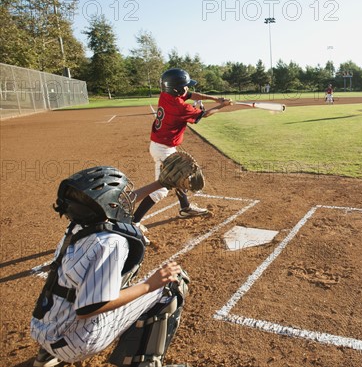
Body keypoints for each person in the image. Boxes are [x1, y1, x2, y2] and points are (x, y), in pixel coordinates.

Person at [31, 166, 189, 367]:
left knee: (86, 282)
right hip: (77, 341)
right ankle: (146, 364)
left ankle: (47, 355)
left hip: (43, 328)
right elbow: (89, 307)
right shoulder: (111, 241)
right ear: (109, 204)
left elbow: (118, 203)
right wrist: (150, 284)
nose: (123, 201)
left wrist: (160, 184)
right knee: (172, 284)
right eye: (118, 198)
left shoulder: (77, 226)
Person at [133, 68, 233, 227]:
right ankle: (135, 221)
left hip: (163, 146)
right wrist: (222, 106)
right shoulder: (181, 108)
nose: (187, 88)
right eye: (185, 86)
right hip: (162, 150)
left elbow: (191, 95)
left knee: (180, 174)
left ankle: (185, 208)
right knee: (162, 189)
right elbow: (204, 115)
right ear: (176, 89)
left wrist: (215, 98)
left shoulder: (166, 95)